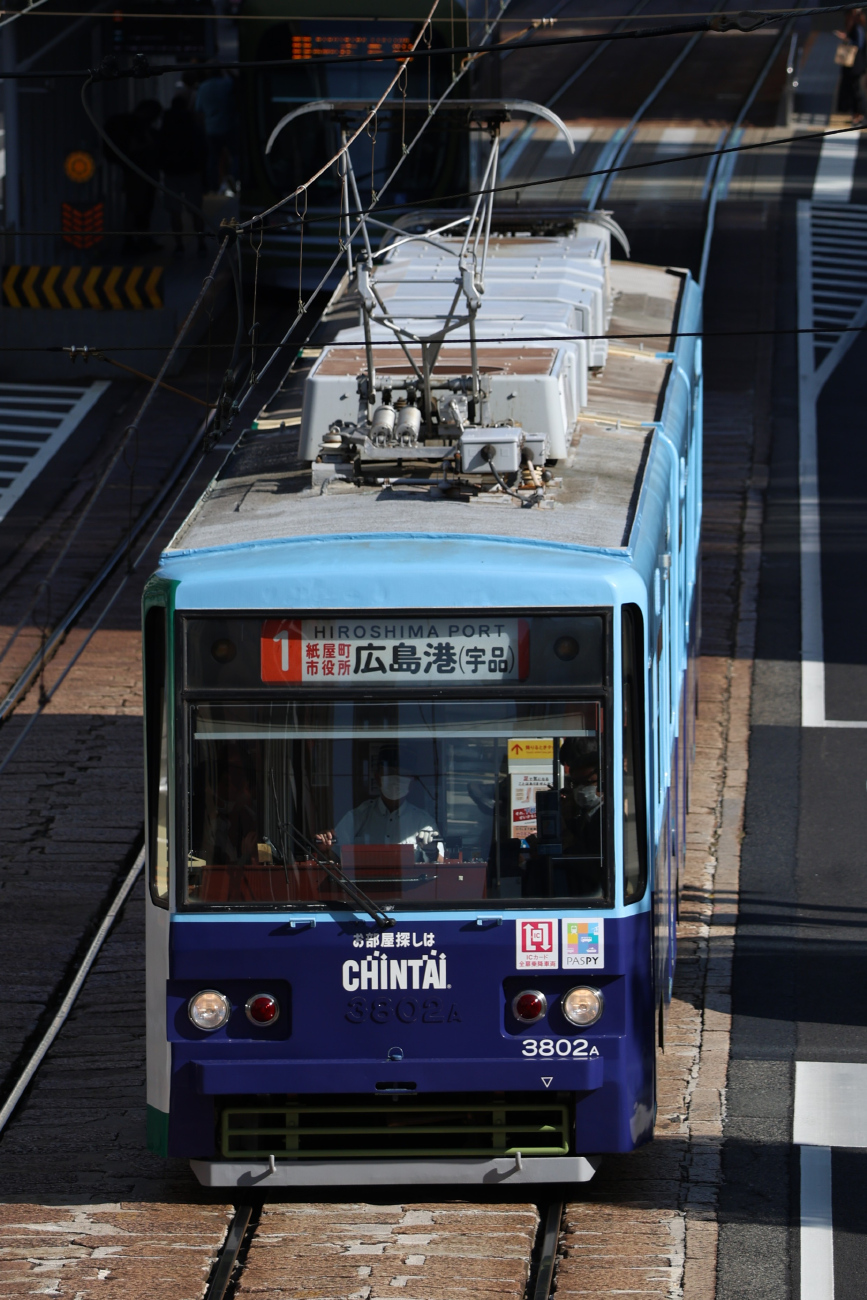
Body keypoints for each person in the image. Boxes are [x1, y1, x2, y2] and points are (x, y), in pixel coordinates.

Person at [316, 744, 442, 861]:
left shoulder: (423, 822)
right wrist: (326, 848)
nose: (395, 780)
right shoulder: (358, 817)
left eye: (402, 774)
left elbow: (441, 864)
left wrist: (431, 851)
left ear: (412, 780)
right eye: (390, 774)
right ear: (378, 777)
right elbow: (336, 856)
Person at [105, 98, 162, 254]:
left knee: (135, 207)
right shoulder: (138, 126)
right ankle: (135, 240)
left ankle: (133, 240)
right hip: (140, 173)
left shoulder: (129, 123)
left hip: (133, 171)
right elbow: (136, 146)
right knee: (139, 207)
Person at [158, 93, 207, 256]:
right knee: (196, 209)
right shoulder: (192, 123)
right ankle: (201, 242)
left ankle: (179, 244)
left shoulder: (166, 123)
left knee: (174, 211)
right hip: (192, 171)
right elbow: (201, 146)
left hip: (171, 172)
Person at [195, 68, 236, 194]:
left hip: (211, 128)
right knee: (235, 156)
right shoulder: (227, 84)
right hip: (229, 126)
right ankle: (236, 182)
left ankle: (213, 186)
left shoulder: (203, 87)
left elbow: (199, 109)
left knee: (213, 159)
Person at [835, 9, 867, 123]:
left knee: (856, 89)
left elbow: (858, 44)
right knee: (853, 89)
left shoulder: (857, 28)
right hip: (853, 65)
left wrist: (846, 39)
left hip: (856, 65)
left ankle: (860, 114)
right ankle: (855, 114)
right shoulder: (855, 27)